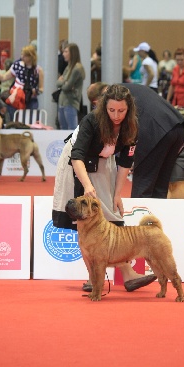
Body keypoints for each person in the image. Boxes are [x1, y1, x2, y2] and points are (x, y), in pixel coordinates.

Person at [53, 84, 157, 293]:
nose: (116, 115)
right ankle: (94, 278)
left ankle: (127, 275)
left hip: (102, 161)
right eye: (111, 110)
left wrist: (117, 194)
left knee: (111, 212)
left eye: (121, 111)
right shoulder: (91, 121)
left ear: (129, 109)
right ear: (103, 107)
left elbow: (126, 162)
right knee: (84, 220)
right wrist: (88, 186)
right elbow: (77, 156)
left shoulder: (131, 127)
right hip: (76, 164)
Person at [0, 45, 44, 120]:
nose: (22, 57)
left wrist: (36, 91)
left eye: (24, 55)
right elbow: (3, 78)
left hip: (30, 100)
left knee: (30, 123)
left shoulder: (38, 70)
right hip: (16, 99)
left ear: (31, 57)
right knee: (15, 121)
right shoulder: (17, 66)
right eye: (22, 54)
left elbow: (41, 89)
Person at [56, 43, 85, 130]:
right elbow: (58, 83)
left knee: (72, 129)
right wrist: (64, 82)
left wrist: (63, 81)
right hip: (62, 101)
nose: (63, 54)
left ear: (72, 53)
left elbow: (66, 87)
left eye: (66, 51)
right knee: (62, 128)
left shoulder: (77, 68)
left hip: (71, 102)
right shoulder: (68, 67)